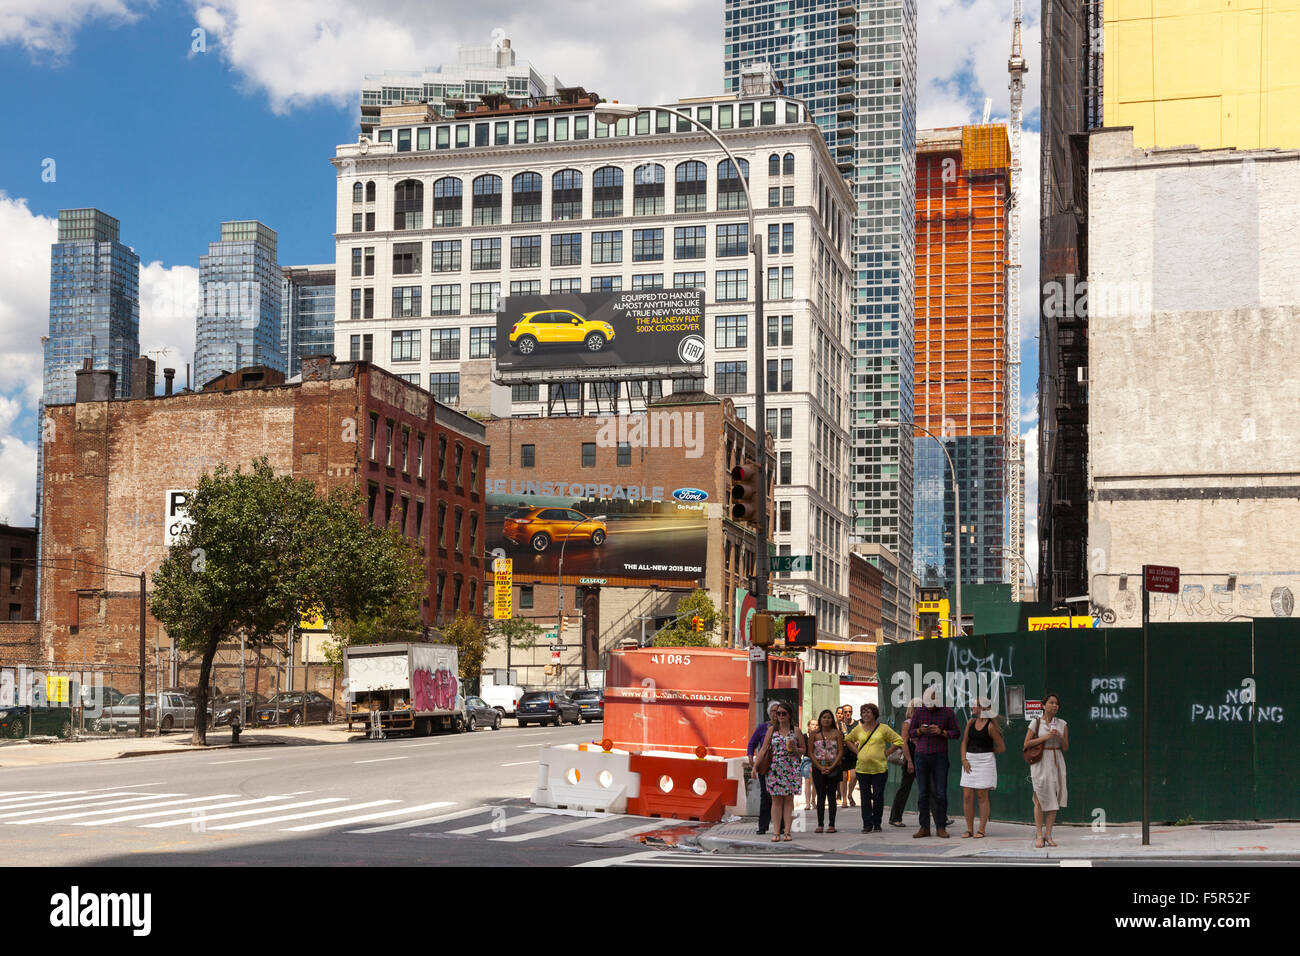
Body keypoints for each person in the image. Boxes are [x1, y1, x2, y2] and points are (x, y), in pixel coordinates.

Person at [844, 702, 904, 833]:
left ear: (874, 714)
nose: (865, 714)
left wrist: (887, 752)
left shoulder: (883, 728)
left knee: (878, 797)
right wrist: (857, 751)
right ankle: (867, 824)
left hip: (879, 769)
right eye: (863, 712)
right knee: (865, 798)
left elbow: (899, 740)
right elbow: (847, 739)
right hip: (862, 769)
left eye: (868, 712)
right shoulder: (858, 729)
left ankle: (877, 823)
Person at [909, 686, 960, 838]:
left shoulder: (947, 712)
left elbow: (956, 732)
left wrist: (941, 732)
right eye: (927, 703)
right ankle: (924, 827)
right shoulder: (919, 712)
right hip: (921, 754)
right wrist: (920, 731)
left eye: (932, 703)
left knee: (940, 793)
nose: (930, 706)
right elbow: (910, 732)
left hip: (939, 755)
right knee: (922, 793)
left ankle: (941, 826)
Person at [756, 702, 805, 841]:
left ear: (789, 715)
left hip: (791, 767)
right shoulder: (772, 730)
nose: (780, 716)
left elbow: (803, 749)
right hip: (775, 768)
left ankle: (787, 832)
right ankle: (776, 832)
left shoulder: (796, 731)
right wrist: (755, 766)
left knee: (789, 800)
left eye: (784, 713)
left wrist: (795, 749)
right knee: (776, 800)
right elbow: (763, 749)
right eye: (778, 713)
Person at [1025, 692, 1068, 848]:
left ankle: (1048, 834)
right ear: (1043, 705)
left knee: (1053, 798)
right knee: (1039, 798)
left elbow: (1065, 747)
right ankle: (1039, 835)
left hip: (1056, 760)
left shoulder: (1062, 724)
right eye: (1051, 702)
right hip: (1040, 762)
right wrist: (1046, 737)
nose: (1054, 705)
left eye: (1056, 703)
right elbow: (1026, 743)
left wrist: (1059, 736)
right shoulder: (1035, 723)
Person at [959, 697, 1005, 838]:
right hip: (969, 760)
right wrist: (964, 759)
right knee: (967, 796)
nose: (972, 707)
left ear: (982, 708)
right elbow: (964, 742)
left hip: (985, 762)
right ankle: (969, 829)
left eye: (975, 705)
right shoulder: (970, 723)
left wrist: (988, 754)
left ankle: (981, 830)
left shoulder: (991, 726)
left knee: (982, 795)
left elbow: (1001, 747)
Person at [746, 701, 782, 835]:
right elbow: (752, 743)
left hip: (781, 766)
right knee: (765, 796)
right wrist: (751, 757)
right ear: (769, 713)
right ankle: (763, 826)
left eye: (778, 711)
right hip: (765, 765)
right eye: (773, 711)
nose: (776, 714)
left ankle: (781, 826)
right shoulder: (763, 727)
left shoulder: (786, 727)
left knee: (781, 796)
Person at [808, 709, 844, 833]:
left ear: (832, 719)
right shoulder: (814, 734)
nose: (826, 720)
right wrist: (820, 767)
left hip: (833, 768)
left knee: (832, 796)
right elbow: (810, 752)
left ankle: (831, 824)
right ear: (820, 719)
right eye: (824, 717)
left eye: (829, 717)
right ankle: (820, 824)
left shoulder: (837, 733)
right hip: (818, 769)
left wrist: (832, 766)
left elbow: (840, 752)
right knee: (821, 796)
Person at [888, 698, 920, 827]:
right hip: (911, 757)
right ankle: (895, 817)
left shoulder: (924, 723)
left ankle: (941, 817)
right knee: (905, 788)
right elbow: (904, 743)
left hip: (922, 757)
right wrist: (909, 761)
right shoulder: (908, 723)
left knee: (930, 787)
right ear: (912, 709)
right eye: (917, 708)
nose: (920, 710)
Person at [837, 705, 858, 808]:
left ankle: (850, 794)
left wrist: (857, 742)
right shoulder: (839, 725)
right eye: (845, 712)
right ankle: (844, 799)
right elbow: (837, 738)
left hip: (855, 752)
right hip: (843, 753)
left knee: (854, 776)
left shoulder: (857, 724)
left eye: (849, 711)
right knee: (844, 777)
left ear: (852, 712)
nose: (847, 713)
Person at [802, 718, 818, 810]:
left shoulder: (819, 737)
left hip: (817, 760)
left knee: (815, 781)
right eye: (812, 724)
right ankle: (807, 803)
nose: (815, 726)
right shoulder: (804, 736)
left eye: (816, 725)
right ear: (808, 726)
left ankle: (813, 800)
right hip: (807, 759)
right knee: (807, 780)